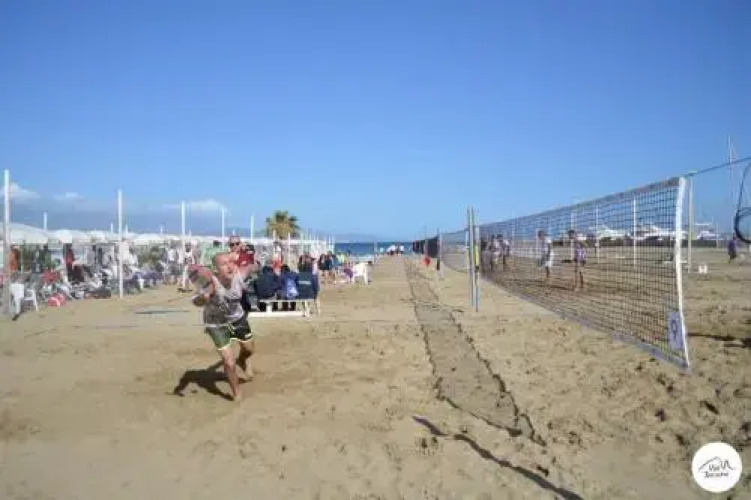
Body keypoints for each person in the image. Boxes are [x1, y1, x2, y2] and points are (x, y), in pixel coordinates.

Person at [190, 253, 255, 401]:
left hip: (237, 318)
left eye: (231, 262)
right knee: (229, 362)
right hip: (216, 323)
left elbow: (252, 267)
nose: (229, 266)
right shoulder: (209, 283)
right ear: (216, 269)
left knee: (249, 349)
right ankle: (237, 394)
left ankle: (242, 360)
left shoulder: (240, 274)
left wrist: (254, 265)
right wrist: (203, 298)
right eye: (224, 264)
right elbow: (195, 302)